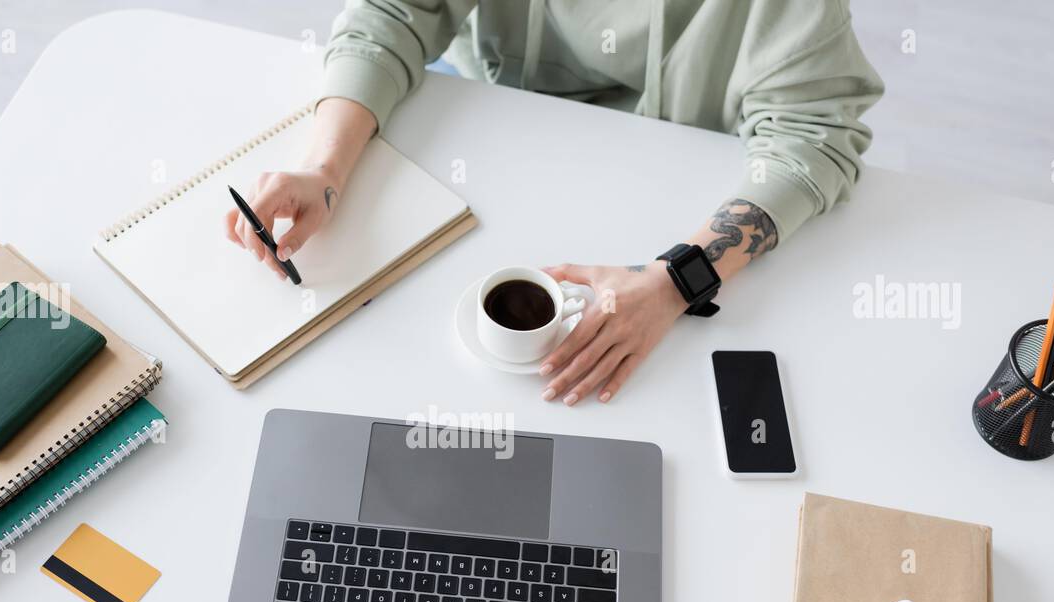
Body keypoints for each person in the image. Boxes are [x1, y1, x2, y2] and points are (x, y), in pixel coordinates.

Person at [226, 0, 883, 405]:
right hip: (495, 128)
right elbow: (392, 14)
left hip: (680, 179)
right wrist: (323, 168)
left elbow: (812, 137)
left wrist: (673, 282)